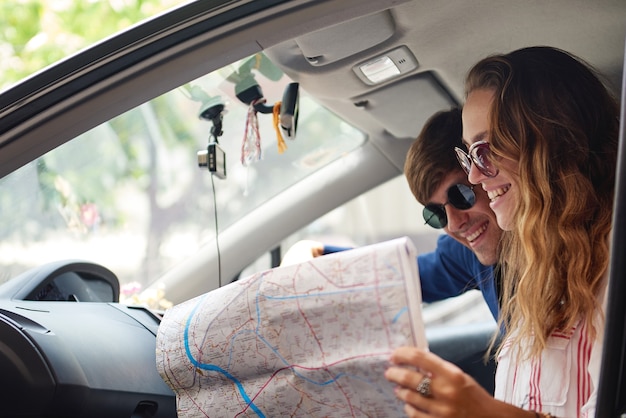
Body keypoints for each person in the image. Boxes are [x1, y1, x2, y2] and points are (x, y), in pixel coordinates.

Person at [385, 46, 619, 417]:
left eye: (486, 150)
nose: (475, 176)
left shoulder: (614, 272)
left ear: (551, 142)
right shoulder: (535, 271)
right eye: (469, 155)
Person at [282, 107, 503, 320]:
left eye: (461, 195)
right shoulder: (467, 256)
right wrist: (317, 254)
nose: (454, 224)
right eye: (437, 214)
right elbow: (395, 278)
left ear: (487, 175)